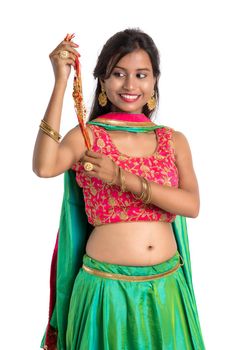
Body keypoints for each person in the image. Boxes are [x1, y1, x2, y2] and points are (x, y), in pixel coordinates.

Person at [33, 28, 205, 350]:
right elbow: (44, 166)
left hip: (166, 292)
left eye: (141, 74)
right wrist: (60, 83)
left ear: (154, 82)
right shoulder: (88, 137)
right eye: (118, 74)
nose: (130, 85)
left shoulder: (173, 140)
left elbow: (191, 205)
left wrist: (120, 177)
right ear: (102, 82)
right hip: (105, 293)